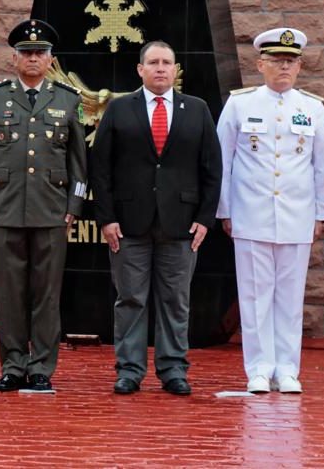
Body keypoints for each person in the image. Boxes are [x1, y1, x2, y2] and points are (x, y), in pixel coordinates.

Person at [90, 40, 222, 396]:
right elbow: (99, 168)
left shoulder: (197, 109)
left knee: (175, 301)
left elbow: (212, 168)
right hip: (128, 223)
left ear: (176, 70)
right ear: (140, 70)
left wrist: (205, 218)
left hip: (181, 224)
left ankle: (173, 369)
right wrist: (107, 218)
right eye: (153, 62)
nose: (161, 68)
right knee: (130, 299)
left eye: (167, 62)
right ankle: (129, 370)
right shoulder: (119, 110)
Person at [0, 19, 87, 392]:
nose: (33, 58)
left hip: (52, 210)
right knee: (9, 294)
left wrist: (74, 205)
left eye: (40, 53)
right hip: (5, 209)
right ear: (15, 58)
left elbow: (78, 162)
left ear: (51, 58)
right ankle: (12, 366)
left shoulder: (68, 100)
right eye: (26, 53)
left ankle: (41, 367)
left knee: (46, 294)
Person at [216, 28, 324, 395]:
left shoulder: (312, 107)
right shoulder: (240, 104)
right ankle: (259, 369)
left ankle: (288, 369)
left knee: (290, 297)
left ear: (299, 67)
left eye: (291, 61)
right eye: (277, 61)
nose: (284, 67)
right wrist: (225, 209)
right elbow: (224, 160)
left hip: (296, 215)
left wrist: (320, 212)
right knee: (254, 296)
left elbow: (320, 164)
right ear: (260, 64)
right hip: (251, 213)